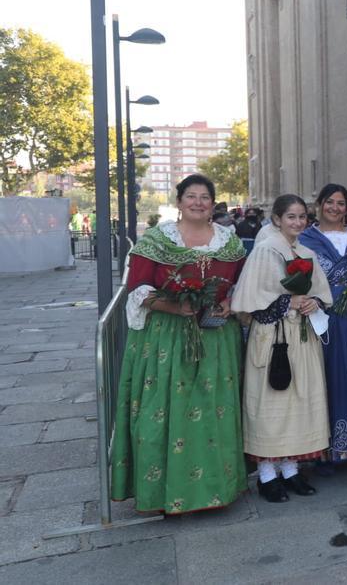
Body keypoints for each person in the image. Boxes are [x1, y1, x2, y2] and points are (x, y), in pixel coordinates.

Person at [110, 174, 247, 514]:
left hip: (215, 337)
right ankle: (163, 492)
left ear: (213, 203)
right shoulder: (157, 241)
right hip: (167, 339)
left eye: (205, 197)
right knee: (167, 410)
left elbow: (242, 282)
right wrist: (173, 306)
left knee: (213, 412)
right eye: (191, 196)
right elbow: (138, 288)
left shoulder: (230, 243)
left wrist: (230, 302)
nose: (198, 202)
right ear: (179, 202)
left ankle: (215, 489)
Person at [231, 193, 333, 503]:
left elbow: (323, 294)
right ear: (277, 219)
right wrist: (287, 301)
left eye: (302, 216)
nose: (298, 222)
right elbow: (249, 305)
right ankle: (266, 475)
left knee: (298, 403)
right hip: (273, 338)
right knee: (271, 403)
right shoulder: (265, 251)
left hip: (301, 337)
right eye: (291, 216)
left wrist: (313, 301)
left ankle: (290, 469)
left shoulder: (305, 252)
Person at [299, 184, 347, 464]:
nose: (334, 208)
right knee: (326, 377)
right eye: (329, 202)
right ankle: (325, 451)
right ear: (319, 204)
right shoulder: (306, 239)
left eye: (341, 203)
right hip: (322, 321)